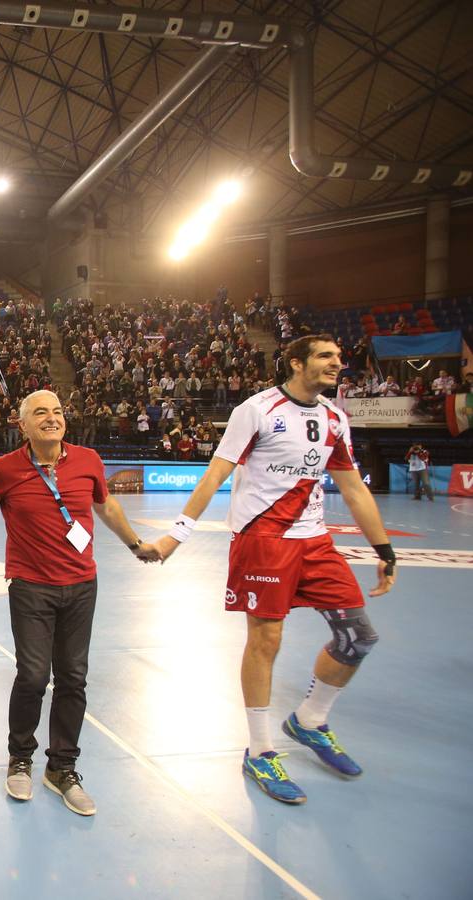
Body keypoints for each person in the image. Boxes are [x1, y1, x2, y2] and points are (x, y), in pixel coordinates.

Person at [153, 335, 396, 805]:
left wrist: (383, 549)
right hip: (262, 539)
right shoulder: (258, 409)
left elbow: (354, 488)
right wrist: (178, 534)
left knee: (358, 637)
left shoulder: (334, 418)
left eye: (339, 358)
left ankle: (308, 720)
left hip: (314, 539)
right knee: (266, 640)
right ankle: (261, 751)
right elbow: (215, 474)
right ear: (296, 362)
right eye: (326, 357)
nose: (336, 364)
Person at [0, 390, 159, 817]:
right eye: (41, 413)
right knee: (34, 676)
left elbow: (107, 505)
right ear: (22, 425)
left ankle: (62, 768)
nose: (52, 418)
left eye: (57, 412)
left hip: (81, 585)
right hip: (30, 586)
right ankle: (20, 757)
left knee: (74, 678)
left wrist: (135, 543)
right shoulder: (5, 469)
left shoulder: (88, 461)